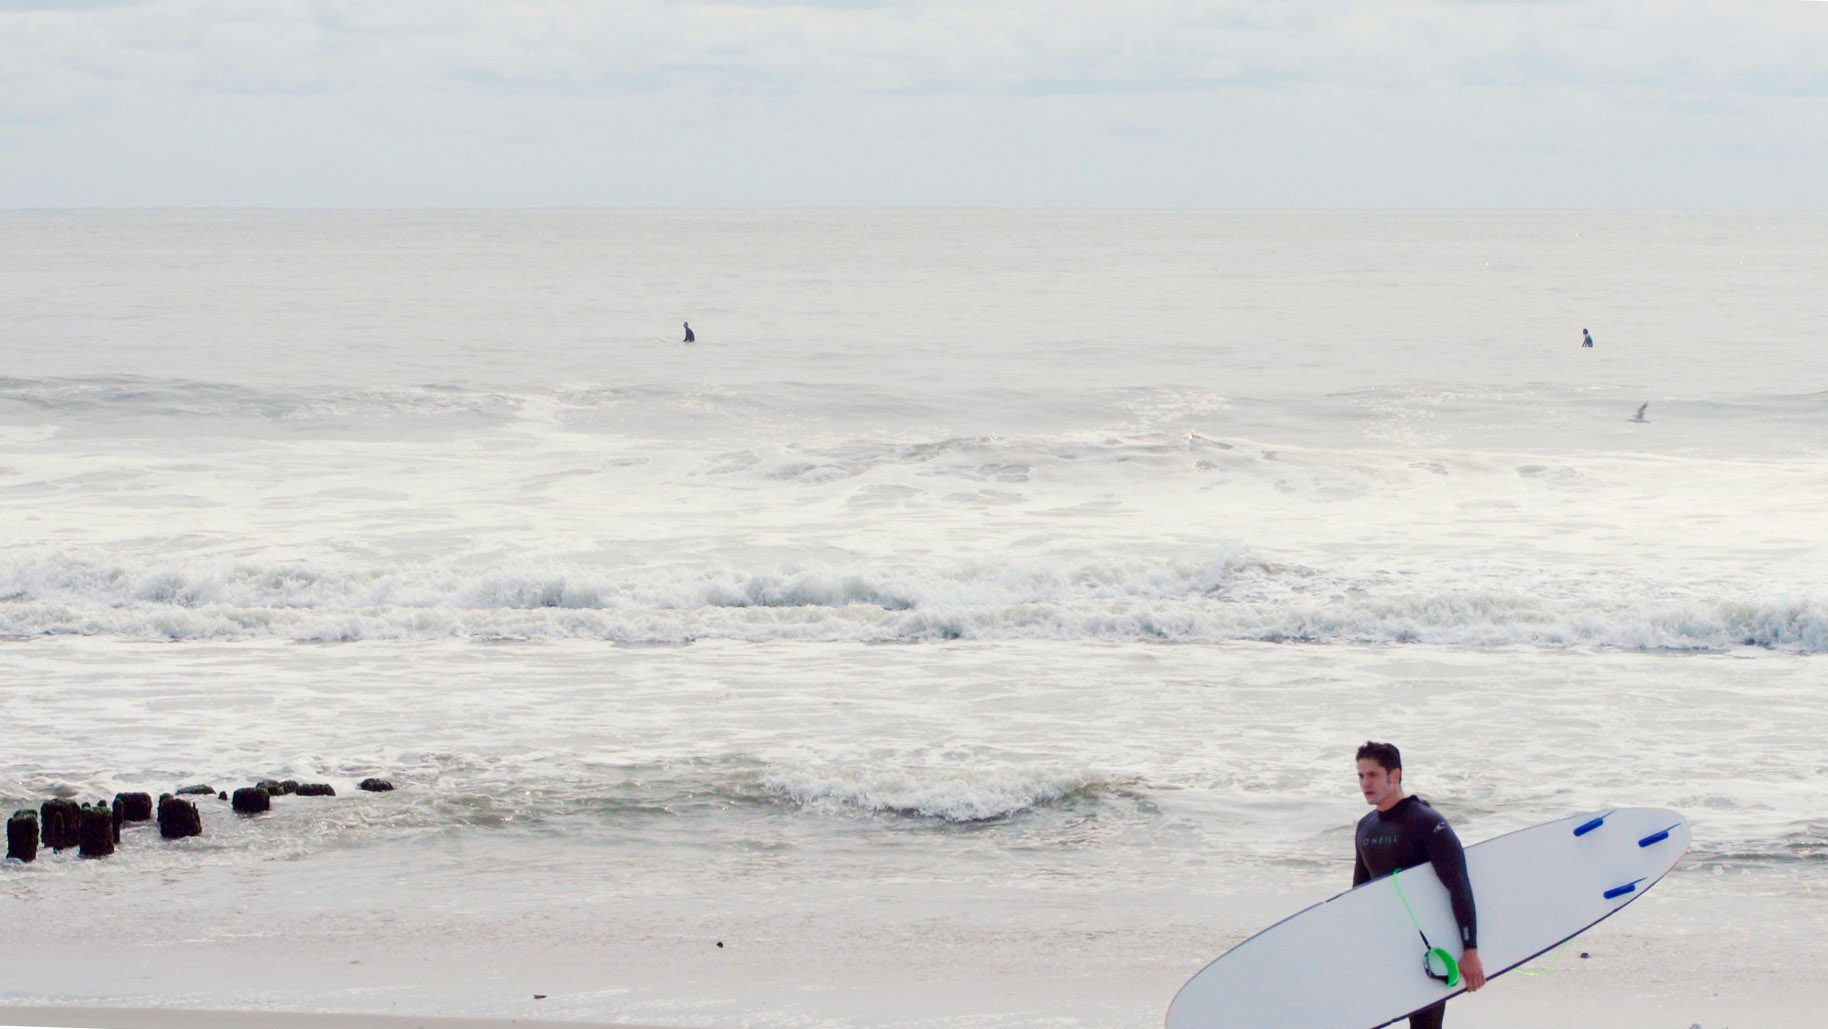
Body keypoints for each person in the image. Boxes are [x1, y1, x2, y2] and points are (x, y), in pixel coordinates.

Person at [1354, 741, 1485, 1029]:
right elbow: (1359, 896)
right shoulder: (1365, 827)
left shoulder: (1426, 822)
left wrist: (1470, 949)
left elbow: (1458, 885)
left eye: (1373, 775)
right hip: (1388, 941)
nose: (1366, 783)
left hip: (1429, 945)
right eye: (1361, 776)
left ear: (1395, 775)